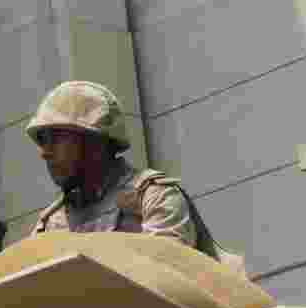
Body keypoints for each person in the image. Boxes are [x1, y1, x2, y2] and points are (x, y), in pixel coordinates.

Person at [26, 80, 196, 246]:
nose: (44, 152)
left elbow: (167, 267)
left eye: (55, 139)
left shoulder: (153, 197)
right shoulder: (49, 226)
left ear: (94, 142)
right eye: (42, 140)